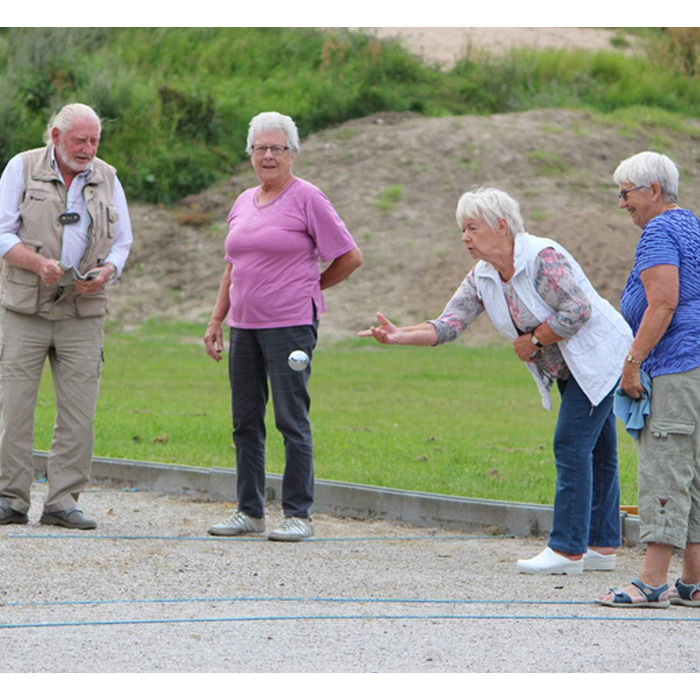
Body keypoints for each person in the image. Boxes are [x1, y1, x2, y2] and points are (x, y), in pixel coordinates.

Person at [359, 187, 632, 574]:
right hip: (571, 368)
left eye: (472, 228)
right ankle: (601, 547)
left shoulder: (542, 257)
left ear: (501, 226)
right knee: (598, 452)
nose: (464, 237)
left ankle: (567, 550)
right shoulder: (483, 275)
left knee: (570, 444)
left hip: (601, 359)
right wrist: (400, 335)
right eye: (462, 229)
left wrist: (535, 340)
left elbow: (580, 309)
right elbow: (450, 324)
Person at [204, 111, 362, 542]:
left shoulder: (308, 197)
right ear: (250, 154)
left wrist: (309, 287)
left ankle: (298, 513)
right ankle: (249, 510)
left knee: (291, 419)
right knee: (245, 419)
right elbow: (232, 267)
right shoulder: (242, 201)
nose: (268, 156)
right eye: (261, 148)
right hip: (244, 326)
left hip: (290, 325)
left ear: (293, 154)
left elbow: (349, 255)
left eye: (277, 148)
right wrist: (217, 318)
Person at [0, 103, 133, 530]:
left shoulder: (108, 177)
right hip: (25, 308)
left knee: (79, 412)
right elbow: (1, 232)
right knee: (13, 409)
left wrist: (108, 271)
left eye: (94, 140)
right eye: (80, 140)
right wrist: (38, 264)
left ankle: (62, 502)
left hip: (83, 310)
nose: (88, 148)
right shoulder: (20, 168)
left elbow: (123, 243)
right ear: (56, 137)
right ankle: (10, 499)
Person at [597, 152, 700, 608]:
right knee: (693, 473)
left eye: (626, 193)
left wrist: (633, 361)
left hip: (676, 365)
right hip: (695, 365)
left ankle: (651, 580)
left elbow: (663, 302)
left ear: (653, 190)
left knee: (665, 466)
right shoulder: (692, 225)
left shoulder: (660, 230)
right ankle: (694, 580)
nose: (622, 204)